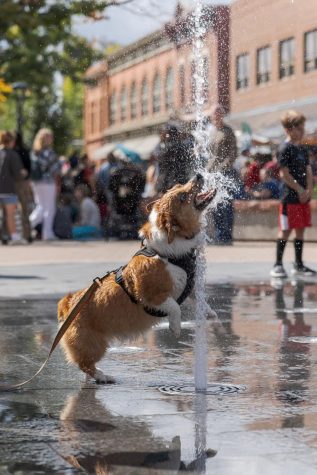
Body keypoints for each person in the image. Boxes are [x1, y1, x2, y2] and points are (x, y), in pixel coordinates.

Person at [270, 110, 316, 278]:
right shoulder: (284, 148)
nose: (303, 130)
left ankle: (298, 264)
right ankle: (278, 265)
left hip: (303, 197)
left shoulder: (302, 149)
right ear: (289, 129)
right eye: (299, 127)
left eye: (303, 127)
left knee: (301, 230)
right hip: (290, 197)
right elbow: (284, 174)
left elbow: (308, 169)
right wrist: (299, 189)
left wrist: (309, 189)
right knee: (286, 230)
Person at [207, 104, 237, 245]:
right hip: (212, 173)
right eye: (213, 114)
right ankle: (219, 234)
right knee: (215, 204)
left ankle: (226, 235)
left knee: (226, 204)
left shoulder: (228, 131)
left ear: (222, 115)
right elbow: (210, 155)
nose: (215, 117)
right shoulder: (211, 132)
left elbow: (233, 153)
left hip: (224, 173)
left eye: (218, 114)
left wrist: (224, 167)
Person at [30, 128, 61, 240]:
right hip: (47, 182)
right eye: (50, 137)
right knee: (49, 208)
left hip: (35, 183)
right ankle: (47, 233)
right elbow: (55, 169)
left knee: (41, 207)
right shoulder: (49, 152)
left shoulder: (34, 152)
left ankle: (27, 226)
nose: (52, 139)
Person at [0, 131, 26, 244]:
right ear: (12, 141)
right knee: (10, 214)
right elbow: (17, 174)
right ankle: (14, 237)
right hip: (8, 188)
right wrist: (23, 173)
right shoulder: (12, 154)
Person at [14, 131, 33, 242]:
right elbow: (29, 169)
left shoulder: (11, 152)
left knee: (9, 210)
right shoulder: (25, 151)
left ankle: (11, 234)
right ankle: (27, 234)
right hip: (23, 182)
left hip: (12, 183)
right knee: (24, 209)